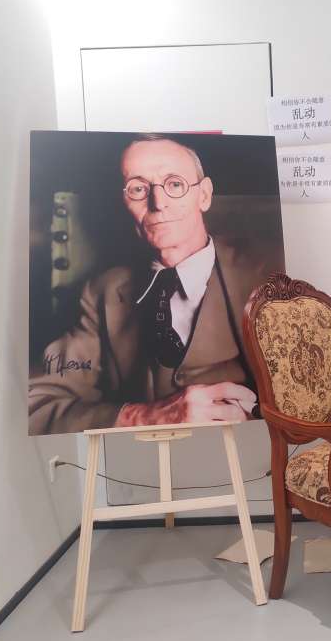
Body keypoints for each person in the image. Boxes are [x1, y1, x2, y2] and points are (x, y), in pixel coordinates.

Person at [28, 134, 277, 434]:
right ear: (123, 202)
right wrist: (142, 417)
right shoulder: (102, 294)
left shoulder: (270, 274)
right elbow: (35, 404)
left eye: (175, 184)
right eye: (138, 189)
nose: (158, 203)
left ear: (204, 195)